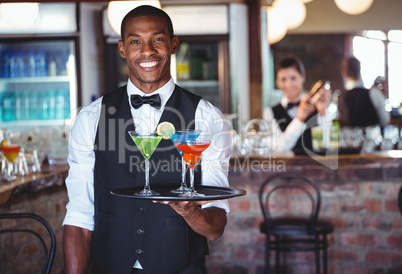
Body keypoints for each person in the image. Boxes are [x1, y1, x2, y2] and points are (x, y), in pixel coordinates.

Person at [63, 5, 231, 274]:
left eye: (158, 39)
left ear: (173, 44)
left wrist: (190, 211)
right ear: (122, 49)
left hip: (182, 267)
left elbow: (215, 227)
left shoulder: (207, 118)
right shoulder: (90, 118)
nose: (148, 51)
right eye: (135, 41)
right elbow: (80, 216)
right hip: (108, 266)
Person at [262, 56, 331, 152]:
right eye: (283, 79)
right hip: (286, 167)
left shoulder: (317, 107)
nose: (288, 84)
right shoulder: (269, 112)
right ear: (277, 81)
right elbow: (278, 148)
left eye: (293, 78)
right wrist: (299, 120)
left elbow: (328, 145)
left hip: (315, 166)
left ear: (302, 77)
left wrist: (323, 113)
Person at [338, 57, 390, 127]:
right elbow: (385, 120)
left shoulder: (340, 97)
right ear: (359, 71)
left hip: (349, 137)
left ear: (343, 73)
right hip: (372, 137)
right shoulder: (374, 93)